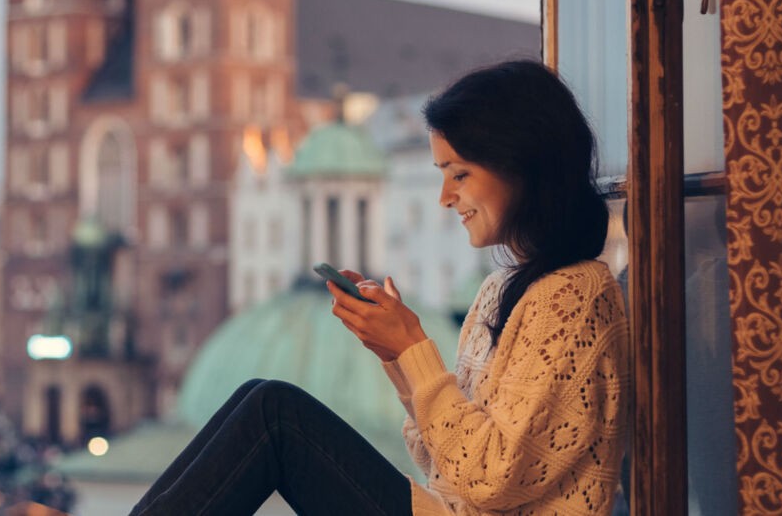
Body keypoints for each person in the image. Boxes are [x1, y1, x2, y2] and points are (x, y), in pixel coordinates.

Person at [130, 59, 630, 515]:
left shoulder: (573, 295)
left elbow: (489, 479)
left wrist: (413, 349)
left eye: (460, 173)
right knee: (257, 395)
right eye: (440, 174)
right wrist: (396, 356)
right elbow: (443, 463)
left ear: (523, 168)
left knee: (273, 413)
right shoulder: (504, 289)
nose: (444, 197)